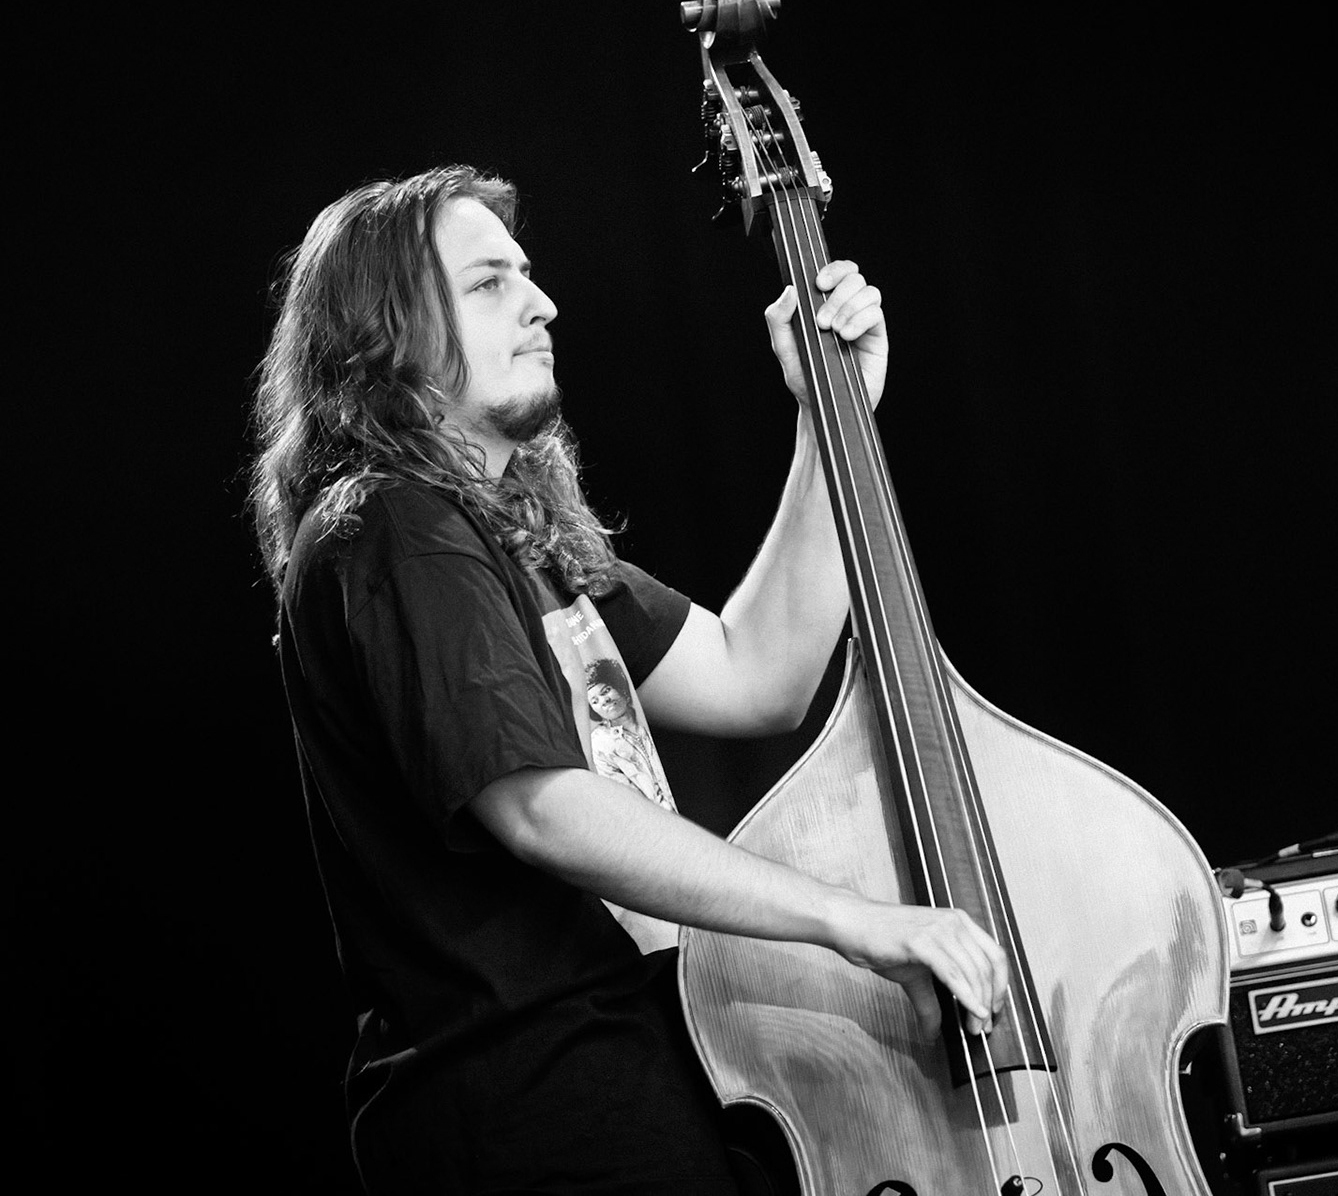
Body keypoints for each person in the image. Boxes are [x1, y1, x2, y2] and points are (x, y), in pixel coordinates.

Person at [248, 165, 1008, 1194]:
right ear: (387, 335)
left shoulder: (517, 531)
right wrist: (853, 918)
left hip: (611, 1070)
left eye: (528, 274)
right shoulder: (398, 525)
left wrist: (835, 415)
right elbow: (543, 805)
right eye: (488, 283)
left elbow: (758, 673)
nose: (542, 302)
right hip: (524, 1103)